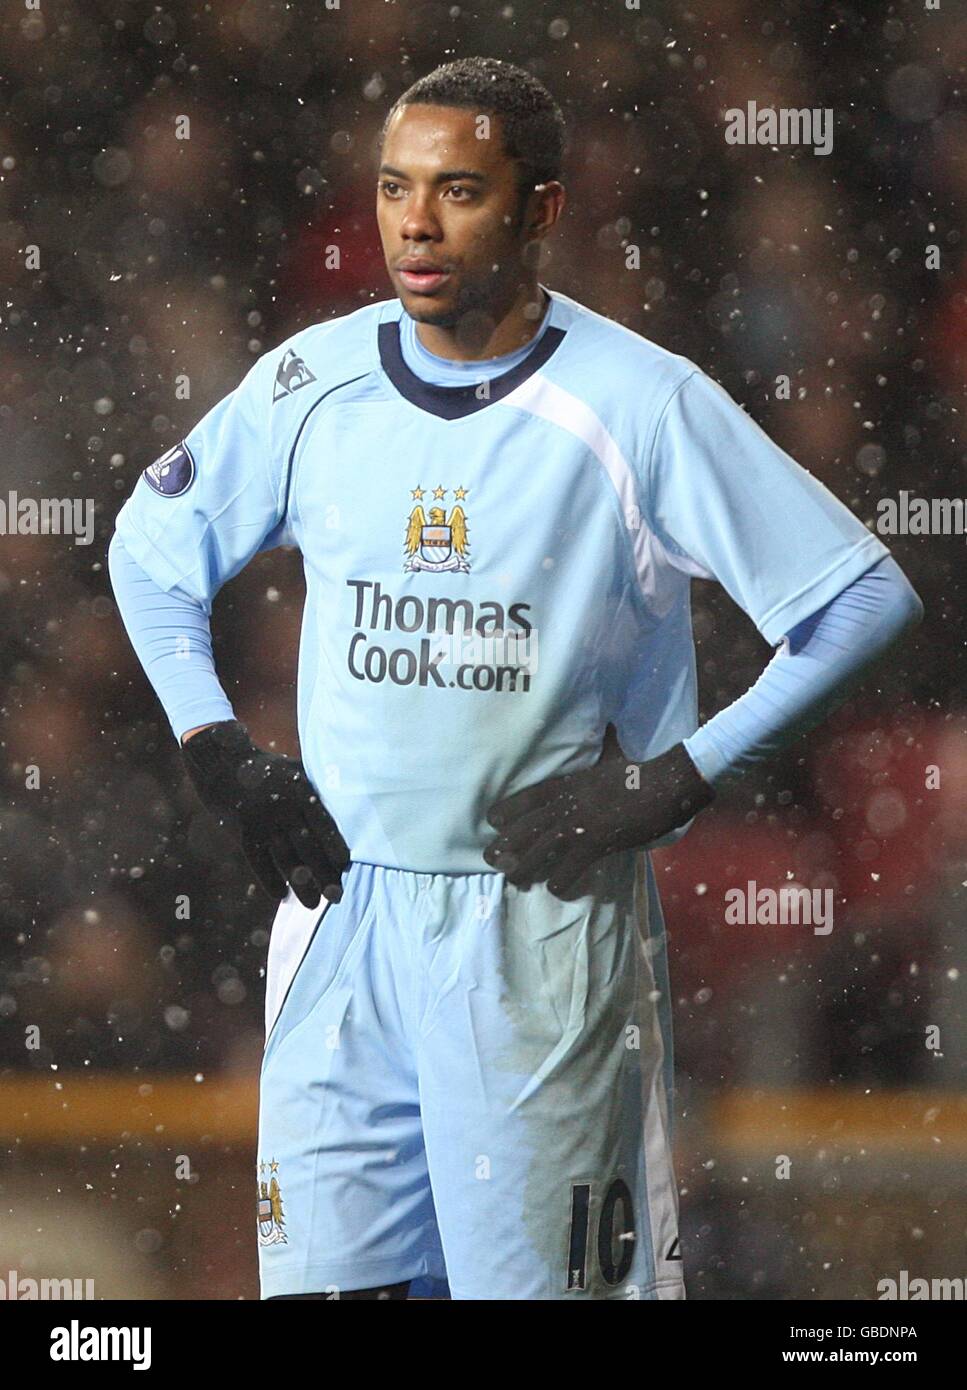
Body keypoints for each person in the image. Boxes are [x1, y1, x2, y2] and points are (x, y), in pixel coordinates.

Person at [109, 56, 922, 1301]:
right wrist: (217, 747)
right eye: (393, 188)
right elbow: (150, 552)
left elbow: (862, 600)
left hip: (536, 927)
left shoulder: (639, 404)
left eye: (457, 192)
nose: (415, 225)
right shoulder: (311, 381)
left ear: (541, 209)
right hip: (340, 920)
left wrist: (678, 779)